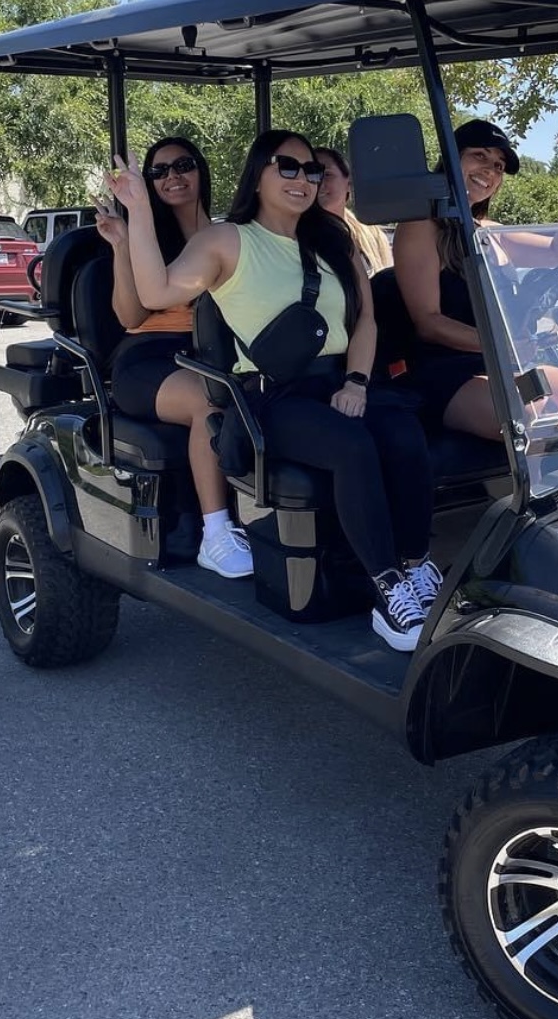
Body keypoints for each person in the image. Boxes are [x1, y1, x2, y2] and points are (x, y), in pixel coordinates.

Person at [107, 129, 441, 652]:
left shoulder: (333, 240)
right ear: (258, 175)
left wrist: (356, 382)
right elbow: (155, 290)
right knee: (351, 446)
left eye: (311, 170)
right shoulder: (227, 241)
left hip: (337, 382)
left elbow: (365, 321)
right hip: (272, 395)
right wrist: (138, 210)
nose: (302, 178)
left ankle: (417, 564)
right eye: (287, 167)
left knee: (404, 433)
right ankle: (388, 588)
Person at [95, 135, 252, 580]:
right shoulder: (146, 239)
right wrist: (122, 245)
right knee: (212, 401)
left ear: (201, 170)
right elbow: (130, 315)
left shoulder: (229, 235)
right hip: (151, 358)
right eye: (159, 171)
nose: (172, 177)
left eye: (183, 165)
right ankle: (216, 534)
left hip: (217, 353)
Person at [392, 119, 558, 439]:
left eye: (498, 165)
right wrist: (501, 345)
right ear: (451, 159)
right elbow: (429, 322)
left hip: (502, 366)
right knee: (525, 414)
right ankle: (535, 474)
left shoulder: (490, 232)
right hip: (446, 371)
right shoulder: (422, 225)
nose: (490, 170)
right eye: (479, 156)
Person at [315, 146, 393, 275]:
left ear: (349, 183)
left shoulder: (372, 235)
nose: (318, 182)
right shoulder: (293, 234)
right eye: (312, 174)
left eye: (327, 175)